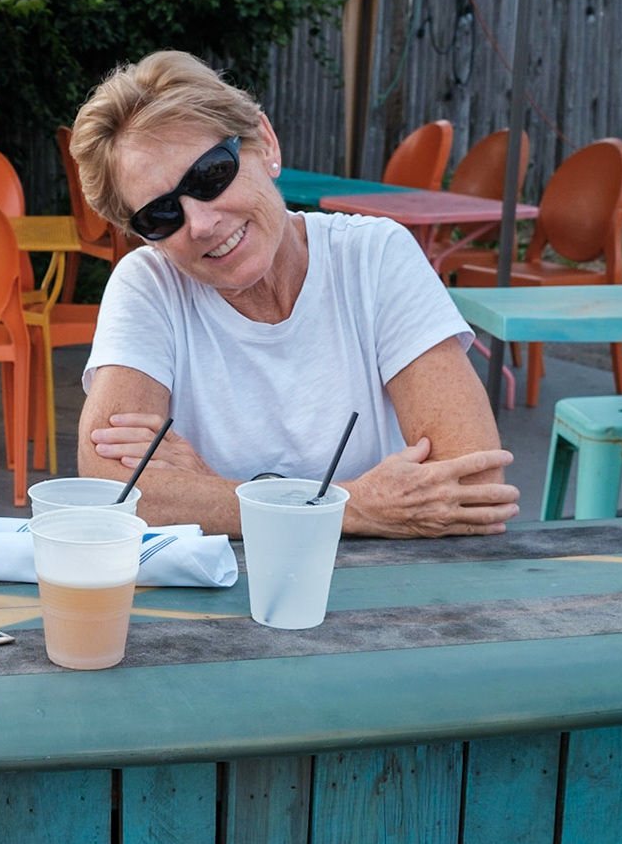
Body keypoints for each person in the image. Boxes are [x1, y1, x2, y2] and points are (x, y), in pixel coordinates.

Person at [70, 50, 520, 537]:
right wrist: (353, 508)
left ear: (264, 144)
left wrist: (210, 491)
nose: (200, 224)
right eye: (160, 215)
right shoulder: (149, 286)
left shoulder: (375, 257)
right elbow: (111, 489)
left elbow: (474, 489)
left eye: (209, 176)